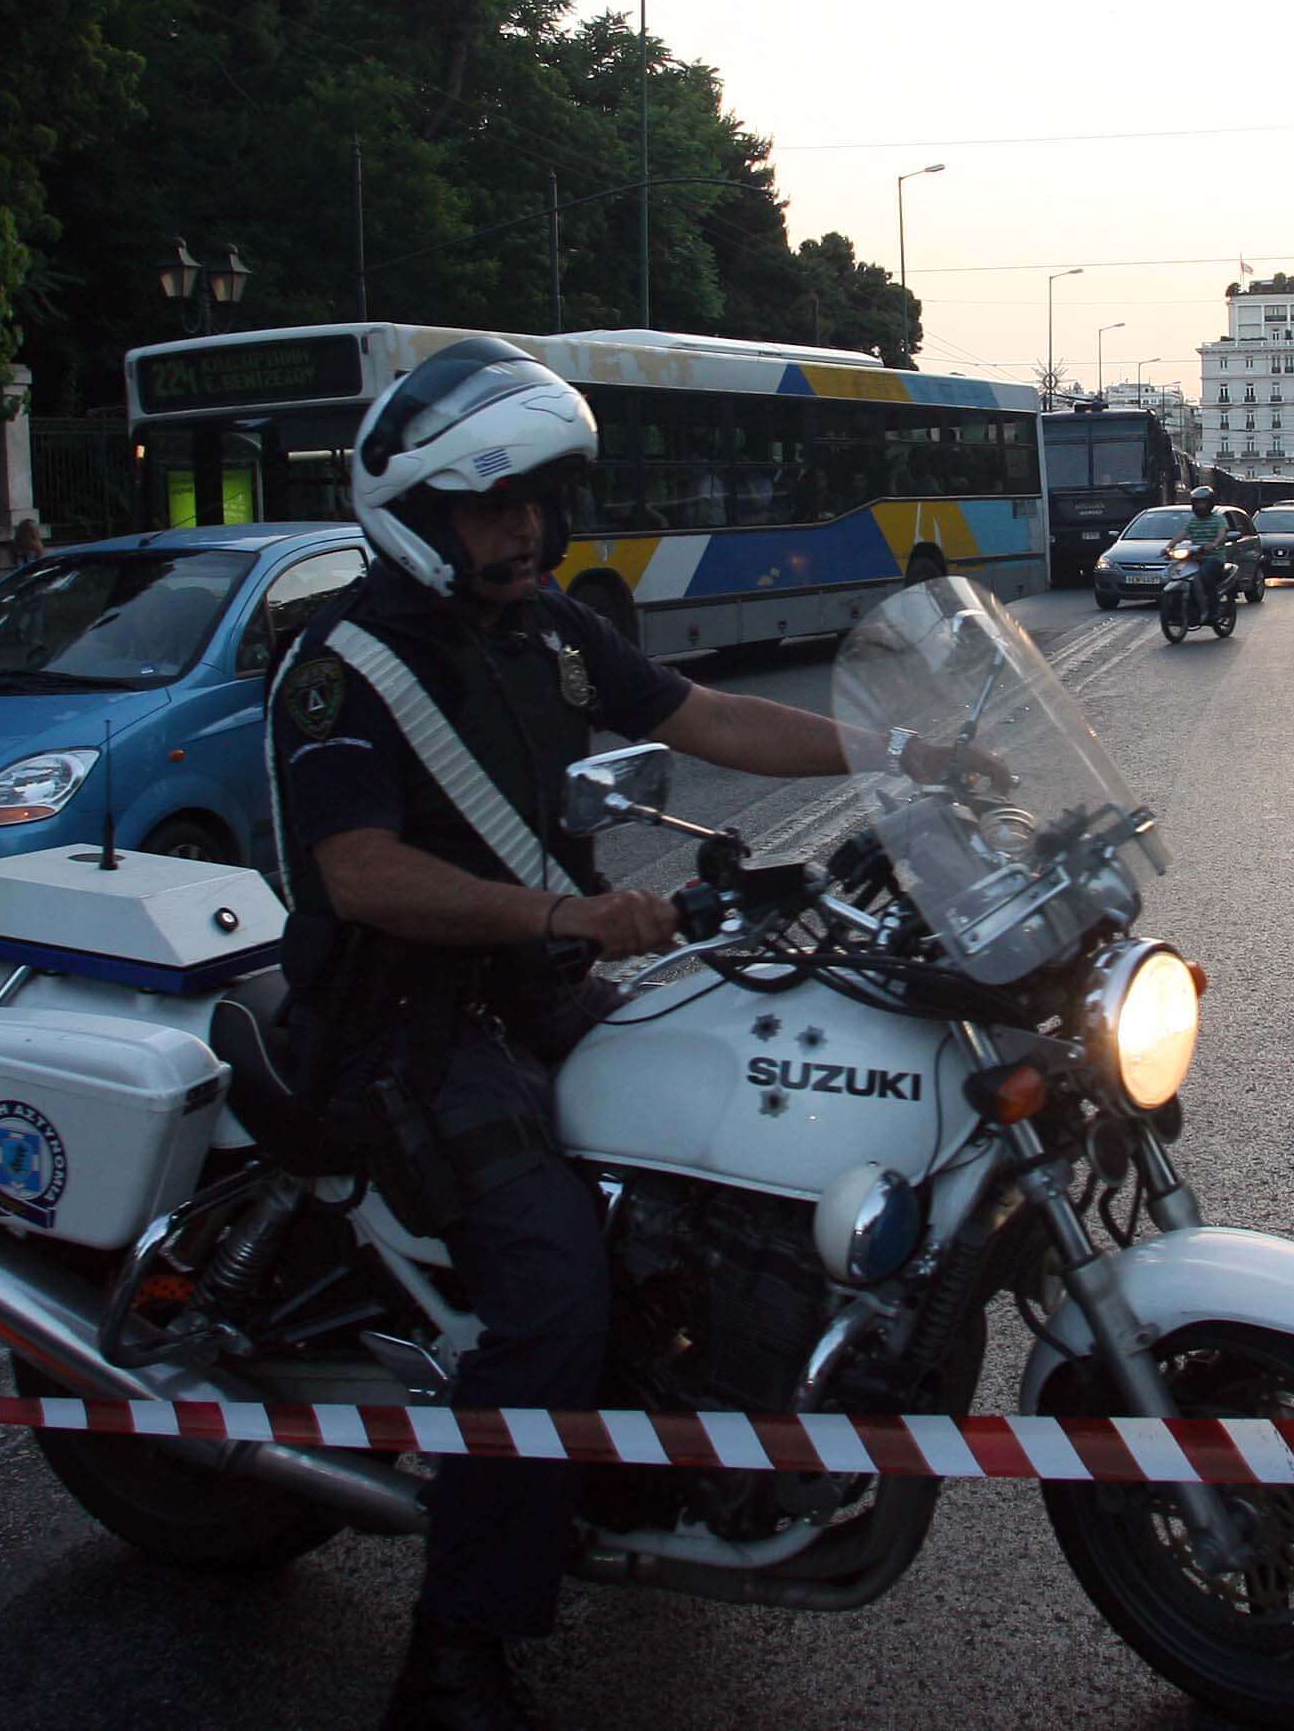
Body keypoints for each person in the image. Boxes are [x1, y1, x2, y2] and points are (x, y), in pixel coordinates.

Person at [269, 338, 929, 1731]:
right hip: (405, 1032)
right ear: (419, 509)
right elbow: (358, 874)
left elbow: (710, 715)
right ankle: (455, 1653)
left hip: (533, 999)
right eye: (492, 507)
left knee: (724, 1127)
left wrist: (896, 754)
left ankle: (663, 1447)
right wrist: (565, 920)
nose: (525, 530)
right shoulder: (345, 665)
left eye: (538, 504)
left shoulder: (553, 635)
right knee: (556, 1288)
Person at [1178, 483, 1232, 612]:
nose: (1199, 506)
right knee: (1181, 575)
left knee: (1204, 577)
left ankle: (1214, 608)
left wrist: (1214, 544)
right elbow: (1181, 535)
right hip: (1195, 558)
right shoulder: (1193, 521)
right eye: (1197, 503)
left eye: (1202, 503)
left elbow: (1221, 534)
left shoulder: (1219, 519)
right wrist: (1168, 547)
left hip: (1214, 558)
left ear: (1210, 503)